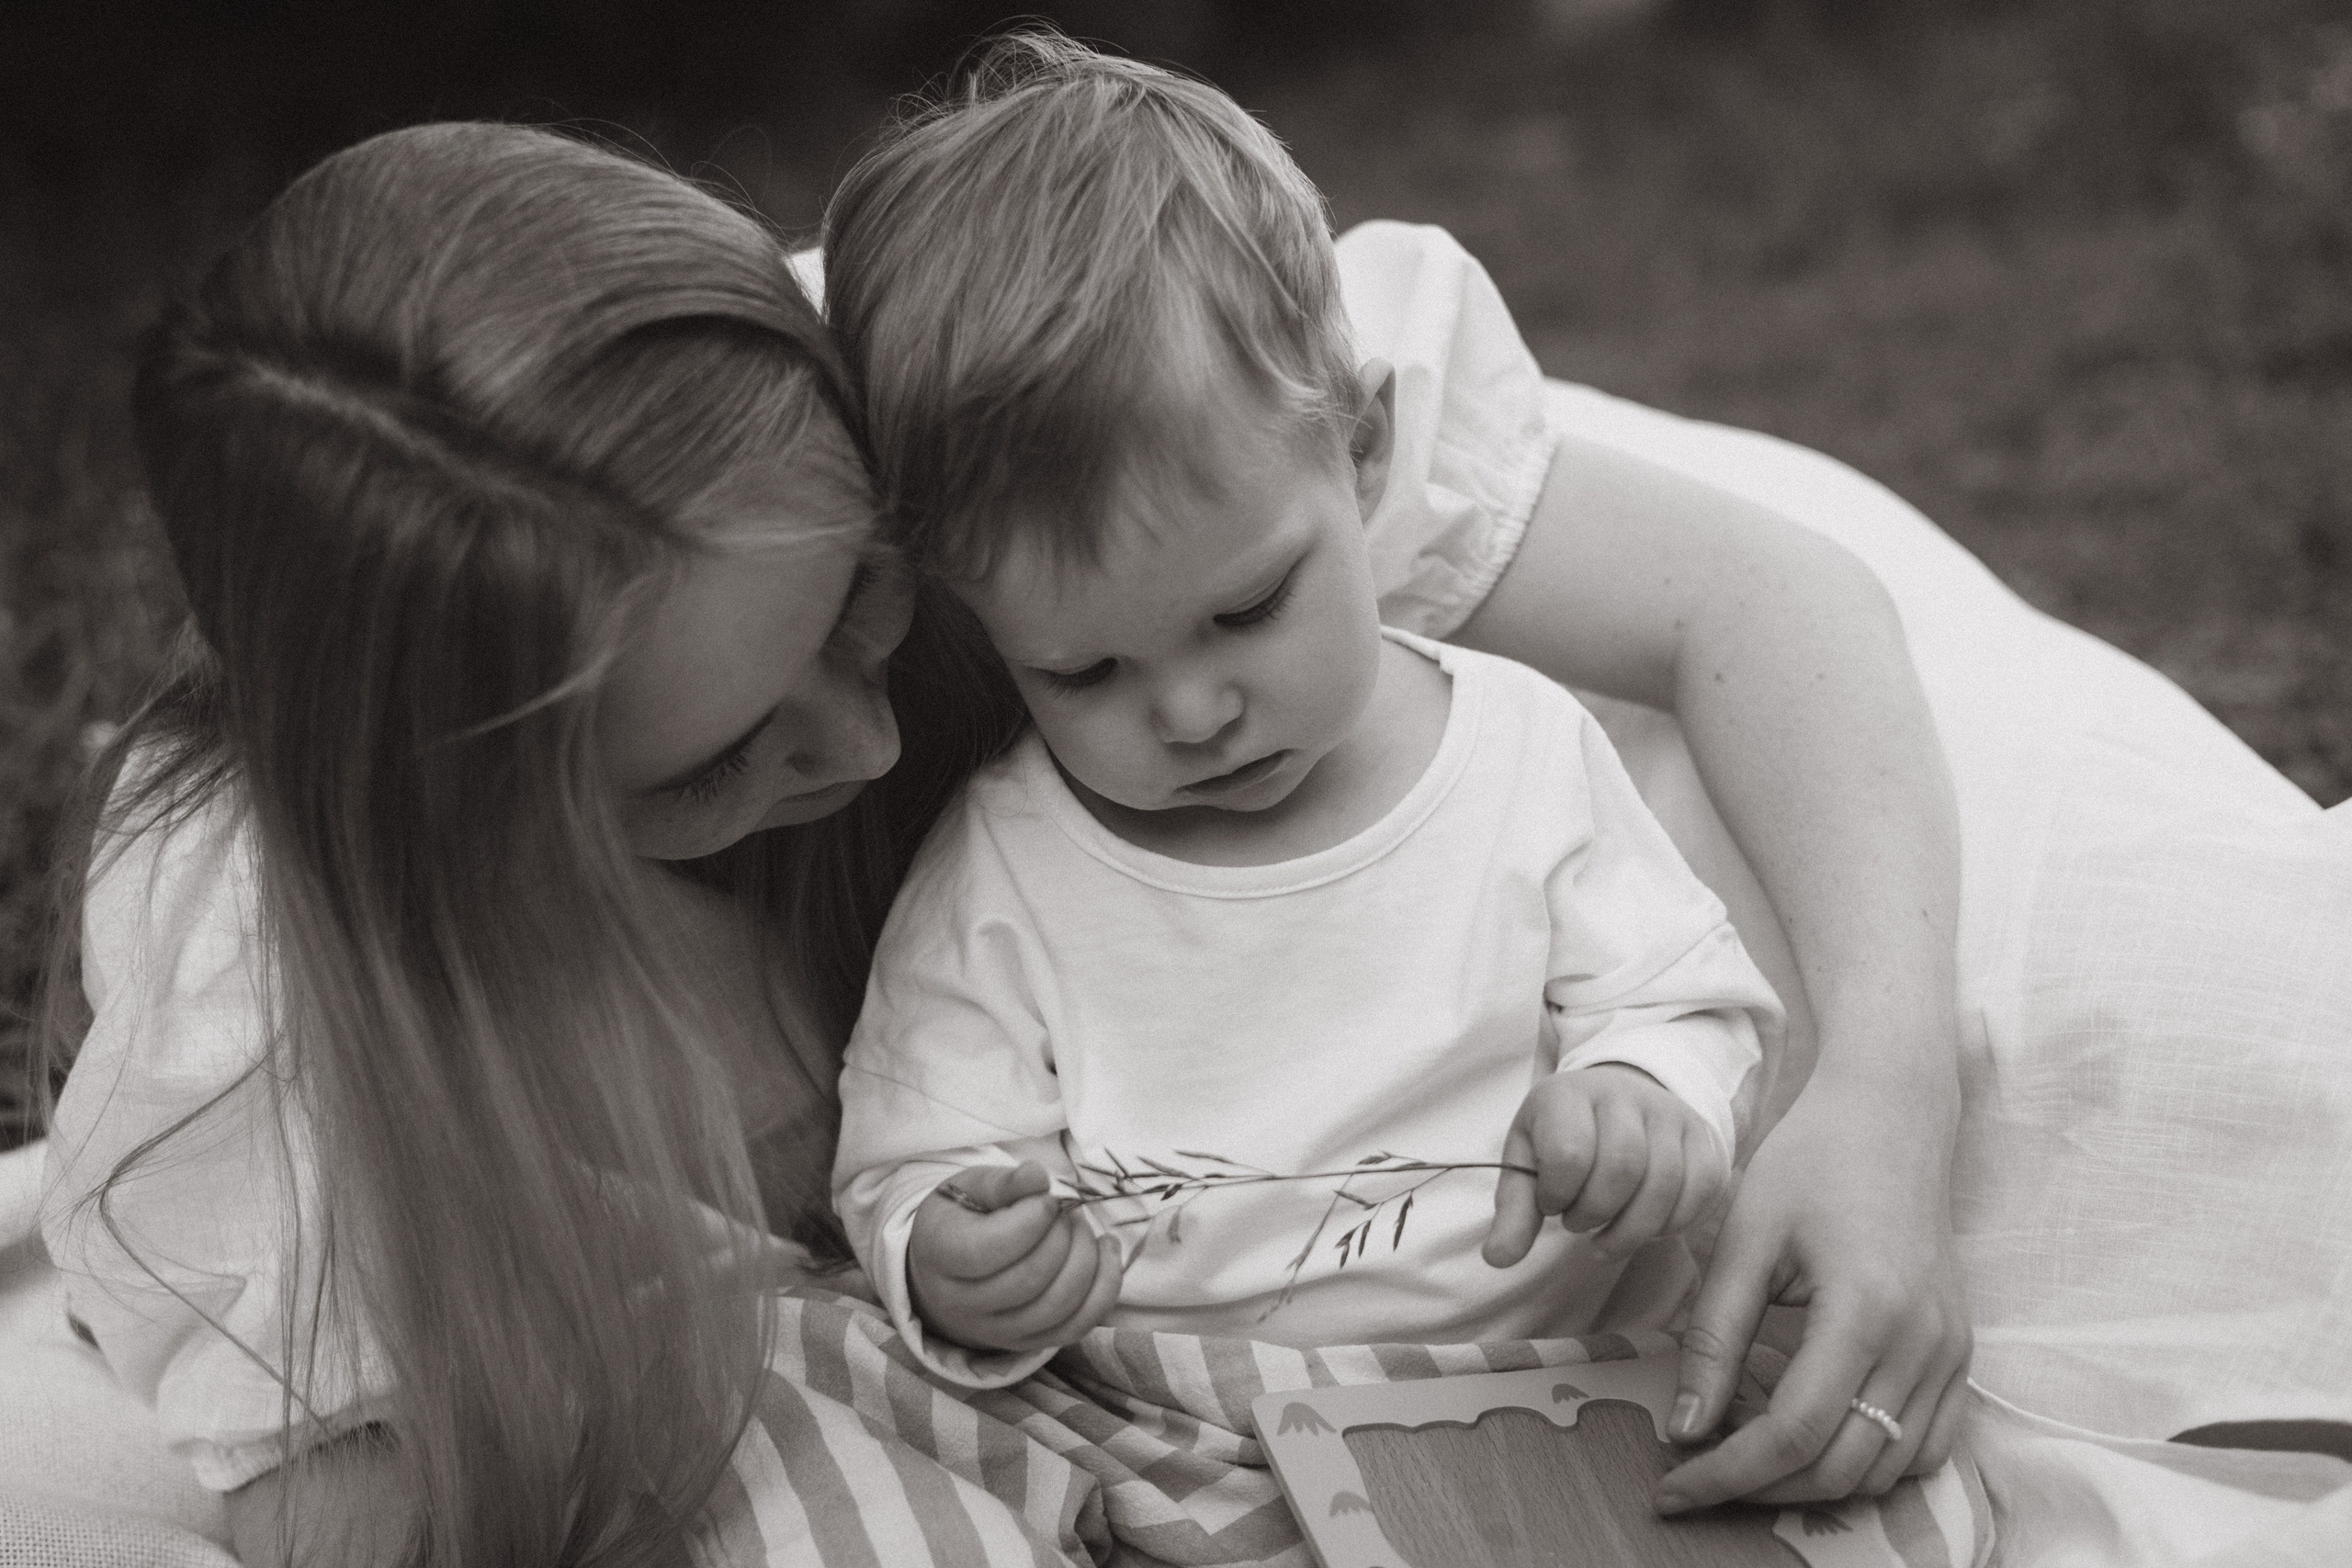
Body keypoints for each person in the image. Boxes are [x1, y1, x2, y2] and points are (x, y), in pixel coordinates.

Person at [35, 89, 1971, 1568]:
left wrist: (1878, 1083)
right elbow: (378, 1491)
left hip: (1457, 779)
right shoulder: (266, 1009)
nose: (871, 731)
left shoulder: (1044, 416)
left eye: (871, 604)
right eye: (705, 764)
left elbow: (1762, 605)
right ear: (457, 810)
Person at [826, 38, 1790, 1391]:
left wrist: (1646, 1099)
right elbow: (913, 1147)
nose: (1193, 710)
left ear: (1364, 449)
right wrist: (951, 1252)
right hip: (1173, 1414)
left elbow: (1685, 996)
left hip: (1558, 1388)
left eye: (1248, 609)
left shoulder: (1518, 755)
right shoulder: (1007, 868)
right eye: (1084, 674)